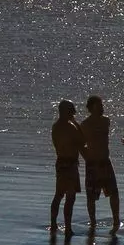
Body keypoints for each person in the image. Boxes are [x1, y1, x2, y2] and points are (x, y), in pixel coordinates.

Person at [80, 95, 120, 230]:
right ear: (91, 108)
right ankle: (93, 222)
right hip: (92, 162)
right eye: (99, 106)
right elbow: (80, 144)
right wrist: (87, 157)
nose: (102, 108)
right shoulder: (85, 124)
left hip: (105, 161)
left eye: (102, 106)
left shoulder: (105, 121)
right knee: (91, 196)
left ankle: (116, 220)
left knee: (113, 192)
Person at [50, 100, 82, 233]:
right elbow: (82, 140)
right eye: (71, 110)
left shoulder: (56, 126)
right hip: (69, 164)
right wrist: (76, 124)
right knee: (70, 196)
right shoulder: (70, 126)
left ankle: (54, 224)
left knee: (59, 195)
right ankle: (67, 227)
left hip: (61, 162)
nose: (74, 113)